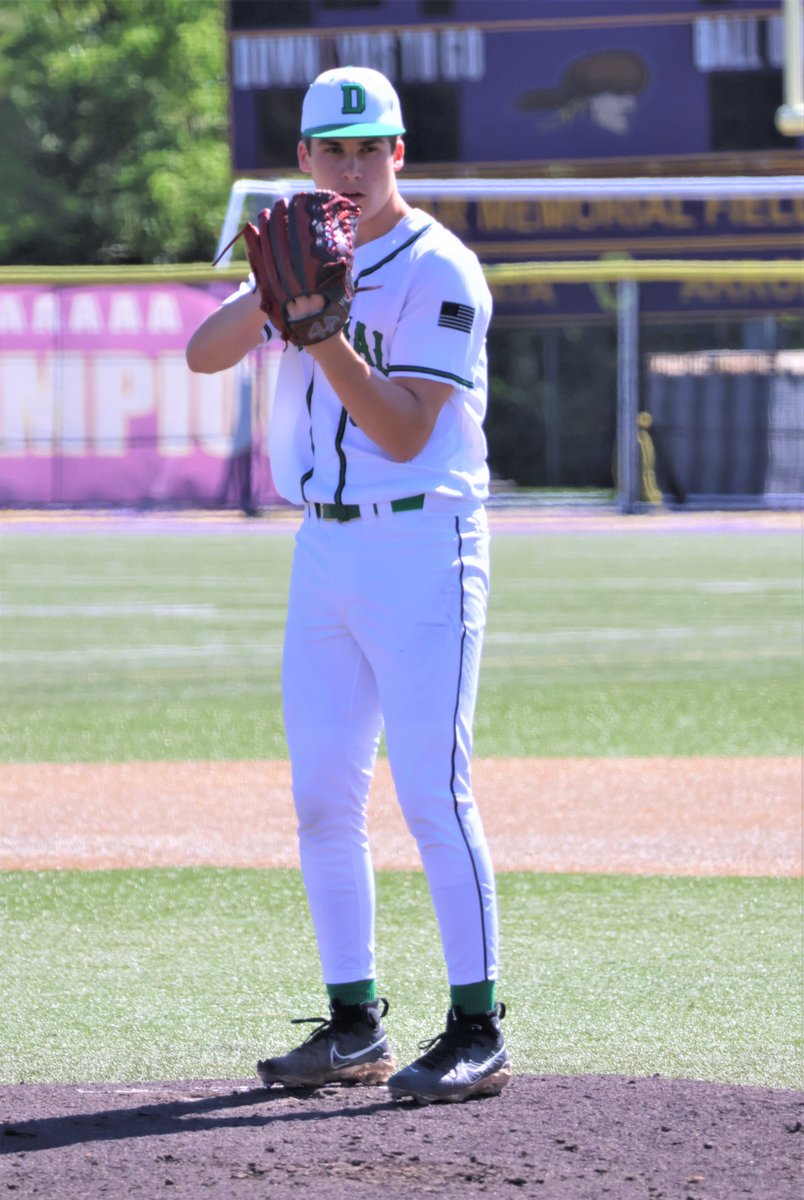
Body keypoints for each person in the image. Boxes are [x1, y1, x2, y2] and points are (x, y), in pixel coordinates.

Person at [186, 66, 510, 1105]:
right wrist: (270, 293)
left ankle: (475, 1023)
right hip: (323, 549)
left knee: (431, 792)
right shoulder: (302, 256)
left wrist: (319, 334)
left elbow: (406, 431)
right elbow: (202, 355)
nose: (356, 168)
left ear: (401, 154)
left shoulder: (442, 269)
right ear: (306, 161)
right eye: (336, 150)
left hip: (423, 546)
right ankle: (354, 1020)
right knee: (324, 795)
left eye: (373, 149)